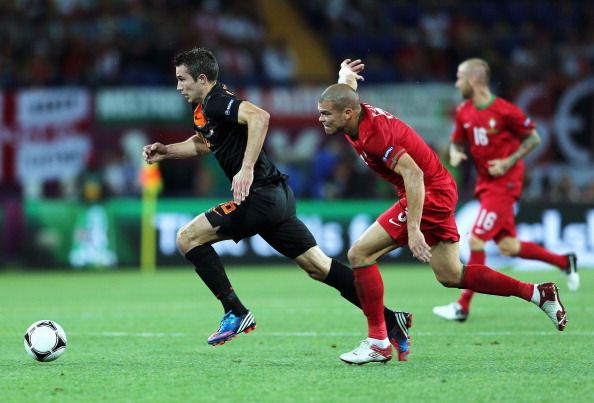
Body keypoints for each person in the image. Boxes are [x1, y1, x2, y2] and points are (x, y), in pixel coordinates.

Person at [142, 47, 413, 360]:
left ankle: (235, 311)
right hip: (277, 197)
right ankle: (392, 320)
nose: (179, 87)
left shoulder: (218, 99)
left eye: (182, 80)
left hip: (260, 196)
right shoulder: (207, 109)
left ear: (202, 79)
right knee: (319, 267)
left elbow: (260, 117)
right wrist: (166, 151)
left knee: (187, 238)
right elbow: (205, 143)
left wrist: (245, 169)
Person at [317, 59, 568, 365]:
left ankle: (379, 342)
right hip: (440, 188)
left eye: (326, 114)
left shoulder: (374, 134)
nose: (321, 119)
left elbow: (414, 176)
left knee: (360, 254)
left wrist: (413, 231)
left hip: (427, 192)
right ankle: (537, 293)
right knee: (451, 275)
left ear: (347, 114)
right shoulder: (352, 110)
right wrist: (345, 75)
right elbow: (348, 91)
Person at [432, 58, 579, 323]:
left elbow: (534, 137)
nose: (456, 83)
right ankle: (563, 261)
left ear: (474, 80)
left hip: (505, 185)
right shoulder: (465, 111)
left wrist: (508, 162)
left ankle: (462, 306)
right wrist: (454, 155)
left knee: (476, 239)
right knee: (509, 246)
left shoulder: (504, 110)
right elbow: (456, 143)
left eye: (459, 77)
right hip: (486, 186)